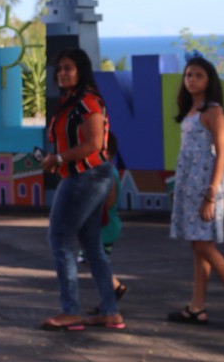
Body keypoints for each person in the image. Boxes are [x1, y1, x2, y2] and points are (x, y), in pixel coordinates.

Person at [39, 48, 124, 331]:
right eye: (59, 69)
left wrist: (59, 159)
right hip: (87, 176)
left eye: (68, 68)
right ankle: (110, 311)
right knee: (91, 246)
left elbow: (94, 144)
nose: (62, 73)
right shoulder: (72, 101)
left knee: (60, 240)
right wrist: (56, 160)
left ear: (81, 71)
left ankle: (71, 311)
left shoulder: (88, 101)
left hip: (84, 177)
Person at [167, 56, 224, 331]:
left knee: (204, 245)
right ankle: (197, 307)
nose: (191, 79)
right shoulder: (191, 109)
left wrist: (210, 194)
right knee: (197, 245)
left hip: (207, 185)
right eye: (188, 75)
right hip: (189, 184)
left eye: (198, 75)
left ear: (209, 80)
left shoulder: (214, 111)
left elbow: (222, 154)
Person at [78, 134, 126, 313]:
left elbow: (110, 202)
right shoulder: (103, 171)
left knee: (94, 260)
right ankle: (111, 291)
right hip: (102, 227)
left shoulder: (109, 173)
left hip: (105, 227)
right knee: (90, 260)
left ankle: (113, 291)